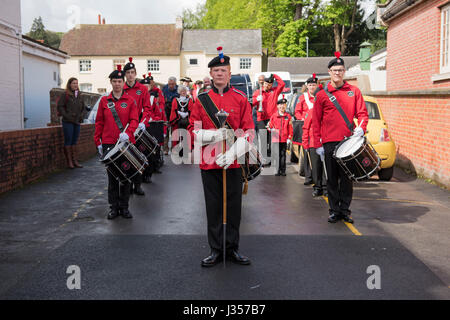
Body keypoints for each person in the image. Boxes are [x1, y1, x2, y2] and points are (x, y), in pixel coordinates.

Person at [188, 46, 255, 267]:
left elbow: (249, 132)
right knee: (214, 207)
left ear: (229, 72)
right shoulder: (201, 100)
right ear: (211, 74)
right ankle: (216, 249)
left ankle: (232, 248)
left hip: (234, 162)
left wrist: (234, 153)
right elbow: (193, 130)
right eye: (216, 70)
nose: (219, 73)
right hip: (209, 162)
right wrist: (213, 134)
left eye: (223, 69)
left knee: (234, 207)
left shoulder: (240, 98)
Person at [312, 52, 368, 224]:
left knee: (347, 179)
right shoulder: (321, 95)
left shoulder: (354, 91)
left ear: (344, 72)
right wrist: (317, 144)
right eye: (335, 70)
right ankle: (334, 211)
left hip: (348, 143)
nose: (338, 73)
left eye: (341, 70)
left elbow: (363, 114)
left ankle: (345, 210)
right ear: (329, 72)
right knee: (331, 179)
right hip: (329, 143)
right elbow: (316, 121)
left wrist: (361, 128)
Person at [94, 65, 139, 220]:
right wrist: (98, 141)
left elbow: (134, 120)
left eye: (120, 81)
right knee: (112, 178)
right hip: (109, 143)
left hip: (125, 143)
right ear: (111, 83)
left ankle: (124, 208)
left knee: (126, 176)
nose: (117, 84)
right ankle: (113, 208)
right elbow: (99, 122)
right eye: (115, 81)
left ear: (123, 82)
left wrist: (128, 133)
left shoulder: (130, 100)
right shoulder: (104, 101)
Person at [123, 57, 151, 196]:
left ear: (135, 73)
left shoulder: (142, 89)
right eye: (128, 72)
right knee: (126, 157)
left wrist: (143, 123)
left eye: (132, 72)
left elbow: (147, 108)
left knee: (139, 156)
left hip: (138, 126)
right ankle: (126, 186)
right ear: (125, 74)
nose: (130, 74)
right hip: (124, 128)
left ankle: (138, 184)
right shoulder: (121, 88)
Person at [301, 74, 327, 196]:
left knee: (327, 167)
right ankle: (318, 187)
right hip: (313, 143)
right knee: (316, 168)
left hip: (326, 142)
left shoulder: (328, 111)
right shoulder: (311, 112)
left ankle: (327, 188)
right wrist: (305, 145)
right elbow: (305, 128)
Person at [57, 77, 87, 169]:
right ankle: (69, 162)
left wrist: (81, 115)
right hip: (68, 122)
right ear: (69, 84)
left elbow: (83, 107)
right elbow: (60, 106)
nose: (75, 85)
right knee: (68, 141)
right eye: (73, 83)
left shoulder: (79, 95)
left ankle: (75, 161)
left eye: (77, 83)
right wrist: (67, 116)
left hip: (77, 122)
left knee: (74, 141)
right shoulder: (65, 94)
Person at [295, 74, 318, 184]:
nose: (312, 87)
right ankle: (308, 177)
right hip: (306, 128)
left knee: (317, 155)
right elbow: (297, 112)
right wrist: (303, 119)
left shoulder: (320, 96)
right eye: (310, 85)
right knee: (306, 152)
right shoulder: (302, 97)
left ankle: (317, 177)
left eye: (314, 85)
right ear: (307, 86)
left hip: (317, 129)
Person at [268, 96, 293, 176]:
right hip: (276, 138)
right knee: (277, 155)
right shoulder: (274, 116)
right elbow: (270, 126)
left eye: (284, 104)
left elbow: (290, 128)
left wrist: (289, 137)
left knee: (283, 155)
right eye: (280, 105)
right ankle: (277, 170)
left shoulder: (288, 116)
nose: (282, 106)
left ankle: (283, 170)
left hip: (284, 139)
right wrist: (271, 130)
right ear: (277, 106)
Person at [169, 85, 193, 156]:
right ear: (179, 92)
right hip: (177, 121)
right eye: (182, 91)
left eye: (185, 91)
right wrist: (179, 114)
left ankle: (186, 151)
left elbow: (192, 110)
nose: (183, 92)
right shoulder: (175, 100)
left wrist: (186, 114)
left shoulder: (190, 100)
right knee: (177, 136)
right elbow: (173, 110)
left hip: (186, 121)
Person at [162, 77, 179, 154]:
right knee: (166, 129)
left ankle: (174, 148)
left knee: (174, 130)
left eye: (172, 84)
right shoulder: (164, 88)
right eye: (169, 84)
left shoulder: (179, 89)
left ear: (175, 84)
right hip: (166, 110)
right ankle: (165, 149)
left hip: (175, 111)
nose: (170, 86)